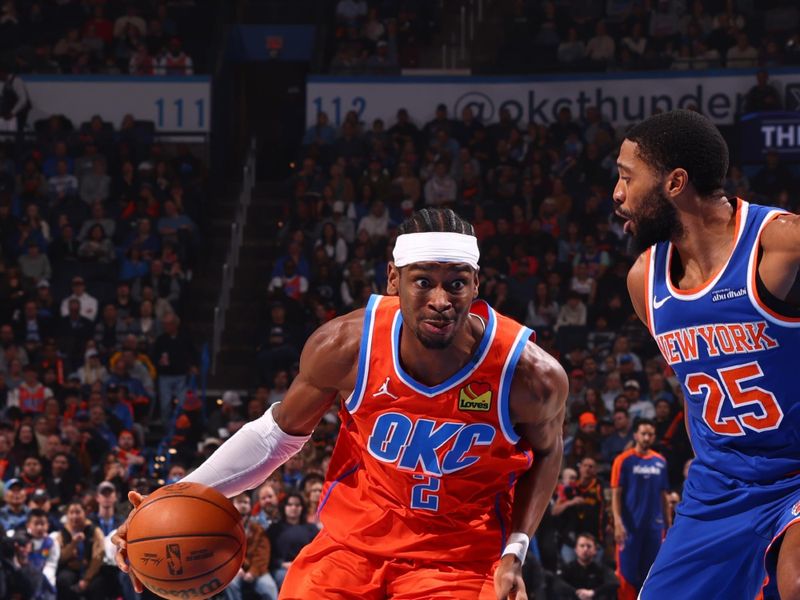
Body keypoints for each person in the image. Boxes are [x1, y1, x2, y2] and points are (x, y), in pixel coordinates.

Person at [114, 207, 568, 599]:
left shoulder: (529, 374)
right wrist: (166, 501)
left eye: (456, 284)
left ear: (476, 284)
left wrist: (516, 550)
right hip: (351, 546)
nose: (440, 300)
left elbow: (547, 453)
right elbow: (276, 437)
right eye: (423, 281)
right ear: (393, 279)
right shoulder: (346, 346)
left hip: (459, 557)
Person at [616, 109, 800, 599]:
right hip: (718, 486)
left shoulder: (779, 242)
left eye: (626, 177)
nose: (617, 194)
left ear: (675, 182)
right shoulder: (644, 281)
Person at [611, 419, 670, 599]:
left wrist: (669, 525)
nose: (646, 437)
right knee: (626, 573)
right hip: (630, 527)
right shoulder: (623, 460)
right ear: (635, 435)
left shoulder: (660, 461)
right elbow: (616, 495)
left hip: (654, 527)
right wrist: (618, 523)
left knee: (652, 572)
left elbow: (664, 496)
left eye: (650, 434)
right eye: (643, 433)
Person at [550, 533, 618, 600]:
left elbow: (614, 583)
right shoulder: (567, 568)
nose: (585, 549)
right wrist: (577, 593)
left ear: (595, 550)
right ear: (576, 549)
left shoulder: (601, 568)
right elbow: (557, 584)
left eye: (589, 546)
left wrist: (593, 592)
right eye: (582, 546)